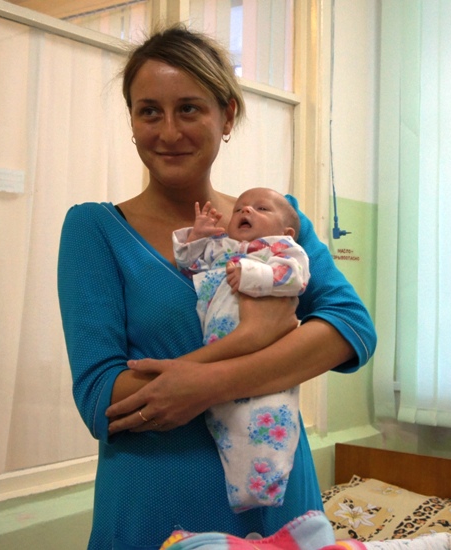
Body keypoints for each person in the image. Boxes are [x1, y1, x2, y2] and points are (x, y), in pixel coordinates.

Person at [57, 24, 377, 550]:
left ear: (227, 115)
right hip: (156, 504)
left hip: (278, 502)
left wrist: (201, 384)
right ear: (132, 120)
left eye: (189, 108)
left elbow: (351, 330)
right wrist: (263, 340)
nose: (168, 132)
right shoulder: (95, 230)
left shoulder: (274, 219)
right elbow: (102, 397)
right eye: (149, 111)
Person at [173, 188, 310, 512]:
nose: (246, 211)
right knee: (227, 424)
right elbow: (190, 265)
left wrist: (250, 274)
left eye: (261, 208)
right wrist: (197, 237)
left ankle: (263, 487)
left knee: (267, 421)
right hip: (221, 357)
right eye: (239, 209)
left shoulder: (282, 249)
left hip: (266, 362)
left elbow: (295, 279)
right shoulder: (224, 247)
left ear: (287, 231)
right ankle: (241, 487)